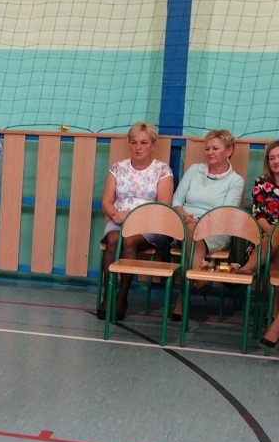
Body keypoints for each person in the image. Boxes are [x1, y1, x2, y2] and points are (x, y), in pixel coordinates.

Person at [97, 121, 174, 320]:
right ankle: (108, 295)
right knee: (113, 239)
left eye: (144, 143)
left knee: (129, 241)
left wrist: (131, 217)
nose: (138, 147)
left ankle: (122, 297)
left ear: (153, 145)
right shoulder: (118, 168)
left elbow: (163, 206)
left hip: (151, 223)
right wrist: (115, 215)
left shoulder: (163, 170)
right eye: (134, 142)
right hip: (119, 220)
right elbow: (106, 201)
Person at [170, 129, 245, 320]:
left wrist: (198, 222)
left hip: (216, 231)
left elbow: (225, 215)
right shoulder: (194, 170)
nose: (209, 152)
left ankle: (183, 299)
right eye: (207, 148)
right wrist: (185, 216)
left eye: (215, 148)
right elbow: (176, 201)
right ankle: (200, 280)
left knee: (193, 233)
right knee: (191, 231)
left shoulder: (236, 181)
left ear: (229, 151)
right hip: (184, 224)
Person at [241, 141, 279, 274]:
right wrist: (274, 235)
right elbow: (258, 214)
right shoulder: (261, 183)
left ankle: (243, 272)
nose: (276, 161)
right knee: (275, 244)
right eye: (272, 158)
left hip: (271, 240)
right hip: (265, 237)